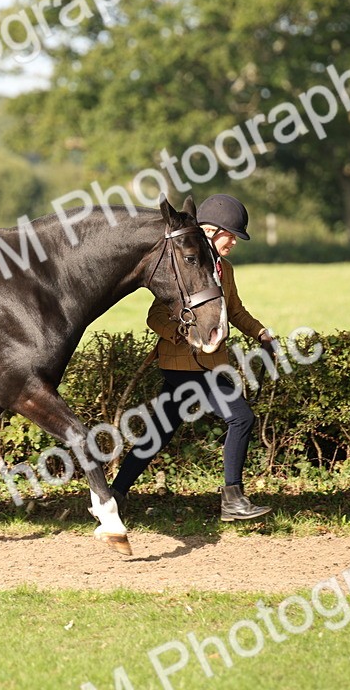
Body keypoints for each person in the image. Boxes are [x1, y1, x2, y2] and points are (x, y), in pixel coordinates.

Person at [111, 194, 274, 522]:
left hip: (209, 365)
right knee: (240, 417)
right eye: (231, 235)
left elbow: (236, 311)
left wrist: (261, 333)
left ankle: (115, 494)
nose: (234, 243)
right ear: (211, 231)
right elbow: (155, 315)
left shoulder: (223, 270)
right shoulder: (182, 267)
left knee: (159, 432)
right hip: (184, 366)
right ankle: (232, 499)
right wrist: (180, 334)